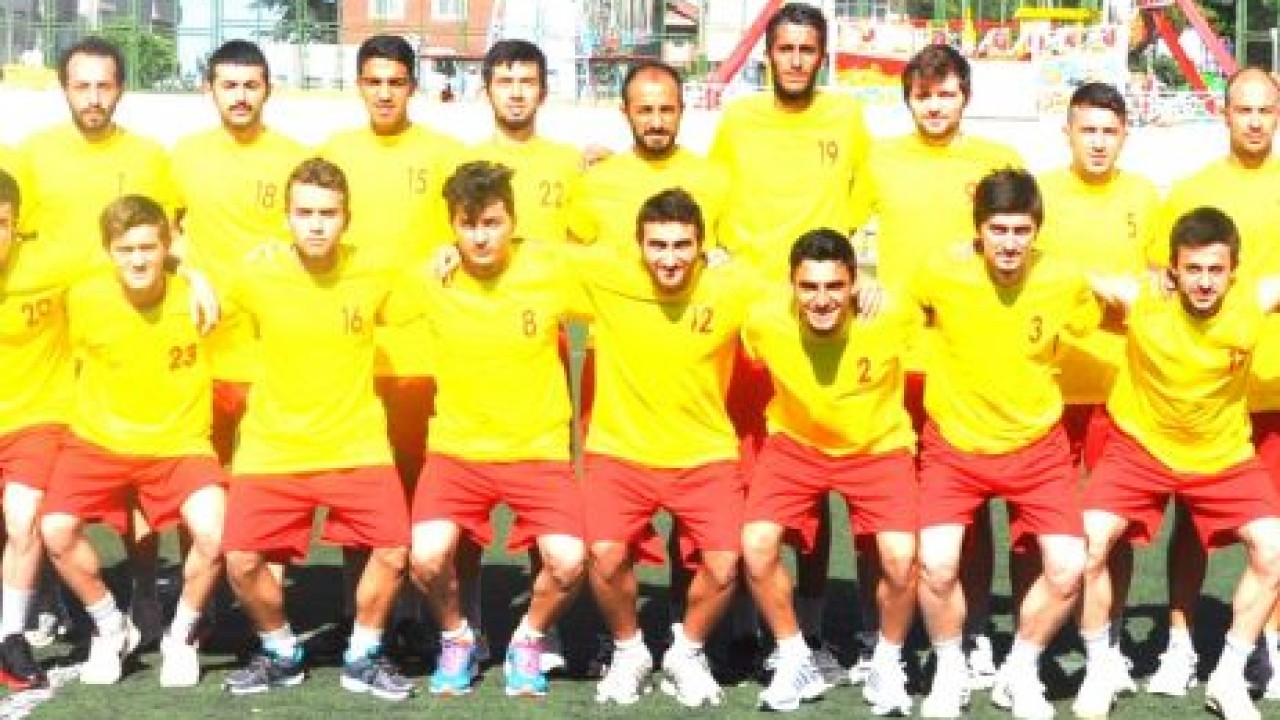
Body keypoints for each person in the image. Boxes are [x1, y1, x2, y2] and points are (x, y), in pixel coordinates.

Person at [849, 41, 1023, 688]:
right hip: (893, 358)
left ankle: (972, 632)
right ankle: (876, 633)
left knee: (968, 509)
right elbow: (835, 229)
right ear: (907, 100)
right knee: (880, 505)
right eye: (923, 95)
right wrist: (860, 278)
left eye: (946, 94)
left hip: (968, 359)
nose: (935, 106)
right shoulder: (880, 159)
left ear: (965, 97)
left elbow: (1028, 241)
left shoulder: (997, 161)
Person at [707, 1, 874, 680]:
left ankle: (812, 626)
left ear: (822, 56)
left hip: (820, 315)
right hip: (751, 319)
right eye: (786, 49)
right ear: (768, 55)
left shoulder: (847, 119)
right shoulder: (740, 121)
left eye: (808, 49)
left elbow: (867, 207)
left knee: (816, 467)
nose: (797, 60)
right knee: (750, 470)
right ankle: (747, 624)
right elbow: (709, 200)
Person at [220, 158, 420, 700]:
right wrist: (189, 275)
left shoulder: (374, 271)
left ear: (346, 218)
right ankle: (281, 650)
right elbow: (198, 296)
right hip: (272, 446)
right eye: (304, 213)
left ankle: (364, 653)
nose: (315, 224)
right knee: (239, 559)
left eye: (328, 214)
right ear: (286, 217)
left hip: (356, 442)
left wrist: (450, 258)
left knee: (393, 549)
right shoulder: (254, 273)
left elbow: (427, 294)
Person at [1076, 207, 1280, 720]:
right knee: (1088, 543)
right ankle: (1101, 668)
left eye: (1216, 270)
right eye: (1193, 269)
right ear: (1173, 270)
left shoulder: (1253, 302)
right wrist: (978, 251)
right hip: (1139, 450)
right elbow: (1067, 273)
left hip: (1222, 457)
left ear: (1233, 271)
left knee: (1275, 550)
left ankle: (1229, 677)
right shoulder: (1141, 299)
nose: (1205, 282)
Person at [912, 169, 1098, 719]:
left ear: (1037, 231)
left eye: (1021, 231)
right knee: (936, 565)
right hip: (955, 446)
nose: (1010, 243)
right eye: (998, 230)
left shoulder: (1063, 280)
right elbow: (902, 307)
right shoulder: (941, 271)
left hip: (1037, 448)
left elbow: (1096, 317)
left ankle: (1019, 670)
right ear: (978, 231)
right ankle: (951, 671)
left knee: (1068, 567)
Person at [18, 36, 179, 642]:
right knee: (52, 472)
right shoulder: (33, 156)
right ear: (64, 88)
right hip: (56, 340)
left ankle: (144, 591)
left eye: (104, 85)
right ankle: (51, 594)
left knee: (136, 465)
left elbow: (170, 239)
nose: (93, 97)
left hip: (132, 330)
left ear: (121, 89)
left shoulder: (149, 158)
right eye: (81, 86)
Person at [409, 162, 585, 698]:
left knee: (569, 561)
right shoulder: (430, 277)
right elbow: (349, 279)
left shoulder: (551, 269)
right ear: (451, 226)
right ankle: (458, 638)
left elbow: (631, 271)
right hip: (457, 452)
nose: (480, 237)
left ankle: (528, 639)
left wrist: (709, 260)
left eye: (491, 223)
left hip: (537, 451)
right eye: (468, 225)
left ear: (513, 220)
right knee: (426, 558)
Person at [40, 195, 227, 688]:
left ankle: (181, 636)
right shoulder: (81, 296)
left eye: (148, 247)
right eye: (125, 250)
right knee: (55, 530)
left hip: (180, 445)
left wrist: (197, 275)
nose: (138, 260)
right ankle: (109, 627)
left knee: (215, 533)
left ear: (167, 247)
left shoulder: (198, 297)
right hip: (98, 442)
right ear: (108, 252)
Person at [583, 189, 754, 708]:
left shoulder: (733, 286)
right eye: (658, 245)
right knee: (604, 554)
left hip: (704, 455)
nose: (670, 258)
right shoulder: (605, 278)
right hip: (620, 451)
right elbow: (528, 259)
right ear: (638, 246)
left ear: (702, 246)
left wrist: (866, 287)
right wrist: (451, 252)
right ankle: (629, 651)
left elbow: (804, 291)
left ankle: (687, 652)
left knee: (725, 563)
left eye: (682, 245)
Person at [739, 229, 918, 714]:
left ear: (854, 282)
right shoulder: (764, 320)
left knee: (901, 558)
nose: (821, 300)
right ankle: (796, 657)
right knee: (756, 547)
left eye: (835, 286)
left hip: (878, 448)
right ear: (791, 286)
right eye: (809, 287)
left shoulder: (892, 314)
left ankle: (886, 662)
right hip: (796, 447)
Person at [1148, 67, 1280, 698]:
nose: (1254, 121)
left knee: (1276, 526)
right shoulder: (1191, 191)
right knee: (1190, 523)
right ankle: (1178, 642)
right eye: (1242, 109)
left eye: (1265, 110)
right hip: (1203, 393)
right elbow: (1157, 275)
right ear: (1224, 114)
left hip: (1274, 386)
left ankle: (1266, 645)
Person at [1034, 80, 1159, 697]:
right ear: (1068, 133)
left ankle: (1104, 646)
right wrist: (1095, 284)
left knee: (1114, 528)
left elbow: (1160, 280)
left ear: (1125, 135)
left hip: (1120, 390)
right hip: (1048, 388)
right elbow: (1028, 273)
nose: (1099, 142)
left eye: (1110, 131)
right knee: (1038, 528)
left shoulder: (1145, 197)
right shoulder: (1043, 194)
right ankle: (1033, 642)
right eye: (1088, 130)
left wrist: (1140, 291)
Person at [170, 39, 308, 465]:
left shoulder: (296, 159)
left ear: (269, 90)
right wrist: (192, 275)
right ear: (208, 89)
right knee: (200, 469)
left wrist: (286, 251)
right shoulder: (185, 155)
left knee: (260, 475)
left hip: (266, 345)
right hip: (203, 336)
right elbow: (164, 232)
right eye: (229, 86)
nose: (241, 97)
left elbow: (317, 235)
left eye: (251, 85)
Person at [565, 60, 729, 249]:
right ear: (625, 112)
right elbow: (572, 257)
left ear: (681, 111)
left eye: (667, 110)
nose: (656, 123)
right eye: (645, 111)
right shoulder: (594, 182)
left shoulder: (715, 179)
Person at [460, 39, 582, 243]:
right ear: (486, 93)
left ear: (543, 94)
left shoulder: (571, 162)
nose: (516, 94)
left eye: (527, 82)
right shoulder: (465, 164)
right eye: (505, 82)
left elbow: (580, 241)